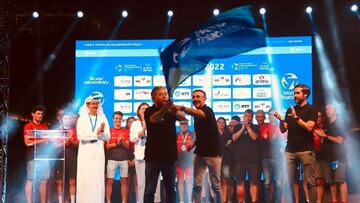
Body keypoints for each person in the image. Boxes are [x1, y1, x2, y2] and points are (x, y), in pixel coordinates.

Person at [274, 84, 318, 203]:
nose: (295, 95)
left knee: (310, 181)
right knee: (288, 181)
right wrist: (281, 120)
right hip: (290, 150)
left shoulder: (311, 110)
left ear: (305, 94)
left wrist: (296, 118)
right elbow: (284, 129)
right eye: (294, 93)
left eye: (297, 93)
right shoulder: (290, 109)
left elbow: (310, 127)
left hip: (306, 150)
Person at [178, 89, 222, 203]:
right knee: (197, 184)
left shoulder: (207, 111)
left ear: (204, 99)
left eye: (198, 97)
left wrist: (182, 108)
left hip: (213, 154)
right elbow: (202, 134)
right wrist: (193, 144)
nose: (195, 99)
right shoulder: (196, 116)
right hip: (199, 153)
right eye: (193, 97)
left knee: (215, 185)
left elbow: (198, 113)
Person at [143, 86, 185, 203]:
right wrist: (166, 107)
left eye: (165, 94)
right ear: (153, 98)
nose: (164, 96)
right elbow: (154, 119)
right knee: (150, 190)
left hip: (169, 157)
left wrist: (175, 109)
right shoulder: (149, 110)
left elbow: (183, 118)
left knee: (171, 189)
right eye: (160, 94)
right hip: (153, 157)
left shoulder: (171, 110)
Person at [76, 96, 110, 203]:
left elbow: (108, 137)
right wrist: (96, 133)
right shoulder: (82, 118)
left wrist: (102, 132)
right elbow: (80, 136)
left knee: (98, 178)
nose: (95, 106)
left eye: (97, 104)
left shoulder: (103, 118)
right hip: (85, 153)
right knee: (85, 178)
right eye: (93, 103)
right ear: (87, 105)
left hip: (98, 152)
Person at [314, 104, 347, 203]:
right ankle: (334, 200)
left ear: (335, 111)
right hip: (327, 158)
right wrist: (321, 138)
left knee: (340, 180)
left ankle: (344, 201)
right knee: (331, 181)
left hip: (338, 157)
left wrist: (325, 136)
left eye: (329, 108)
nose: (327, 110)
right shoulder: (327, 125)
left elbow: (340, 140)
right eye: (326, 108)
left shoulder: (339, 124)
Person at [130, 103, 161, 203]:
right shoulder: (135, 124)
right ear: (138, 111)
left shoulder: (156, 122)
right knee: (142, 183)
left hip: (154, 156)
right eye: (142, 108)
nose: (144, 110)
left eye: (146, 108)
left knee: (155, 183)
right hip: (140, 156)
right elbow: (132, 139)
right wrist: (142, 129)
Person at [257, 109, 286, 203]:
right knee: (267, 182)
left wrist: (272, 139)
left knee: (278, 183)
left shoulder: (280, 127)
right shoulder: (264, 126)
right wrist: (266, 139)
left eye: (274, 114)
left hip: (278, 158)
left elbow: (283, 142)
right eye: (270, 114)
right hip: (266, 158)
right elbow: (260, 143)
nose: (271, 116)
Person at [232, 109, 259, 203]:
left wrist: (248, 128)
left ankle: (253, 200)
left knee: (254, 182)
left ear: (252, 118)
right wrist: (243, 128)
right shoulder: (237, 127)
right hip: (239, 159)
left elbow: (254, 137)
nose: (247, 118)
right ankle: (240, 201)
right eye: (245, 116)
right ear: (243, 117)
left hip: (253, 160)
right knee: (240, 182)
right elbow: (234, 138)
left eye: (249, 116)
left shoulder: (255, 127)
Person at [23, 105, 49, 203]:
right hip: (32, 155)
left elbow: (47, 141)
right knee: (31, 179)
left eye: (41, 114)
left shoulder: (45, 126)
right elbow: (27, 142)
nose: (40, 116)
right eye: (38, 113)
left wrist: (43, 141)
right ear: (33, 114)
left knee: (44, 180)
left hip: (44, 155)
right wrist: (42, 140)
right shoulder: (28, 126)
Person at [105, 111, 130, 203]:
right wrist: (116, 143)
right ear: (113, 119)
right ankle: (108, 201)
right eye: (116, 118)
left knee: (124, 181)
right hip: (112, 159)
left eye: (120, 118)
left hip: (124, 159)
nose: (118, 120)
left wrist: (122, 142)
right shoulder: (109, 131)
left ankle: (124, 202)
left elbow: (127, 146)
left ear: (122, 119)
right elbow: (107, 146)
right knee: (109, 181)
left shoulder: (126, 131)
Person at [175, 121, 194, 203]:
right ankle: (182, 200)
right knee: (180, 181)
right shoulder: (176, 135)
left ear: (187, 125)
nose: (184, 126)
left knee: (189, 181)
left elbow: (195, 145)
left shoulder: (192, 134)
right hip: (178, 161)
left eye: (185, 124)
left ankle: (189, 199)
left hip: (189, 161)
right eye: (182, 124)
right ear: (180, 126)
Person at [217, 117, 233, 203]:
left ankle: (225, 200)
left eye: (223, 122)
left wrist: (221, 144)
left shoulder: (228, 133)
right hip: (216, 160)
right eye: (219, 122)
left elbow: (230, 144)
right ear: (217, 123)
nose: (221, 124)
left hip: (226, 160)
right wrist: (224, 144)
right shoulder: (213, 134)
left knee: (226, 181)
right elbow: (216, 145)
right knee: (217, 182)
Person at [126, 116, 139, 203]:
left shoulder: (139, 133)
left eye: (133, 122)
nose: (131, 124)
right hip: (126, 159)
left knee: (136, 183)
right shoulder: (124, 132)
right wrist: (126, 159)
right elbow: (123, 149)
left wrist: (135, 160)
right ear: (127, 124)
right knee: (126, 183)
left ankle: (138, 200)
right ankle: (128, 201)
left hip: (136, 158)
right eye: (130, 122)